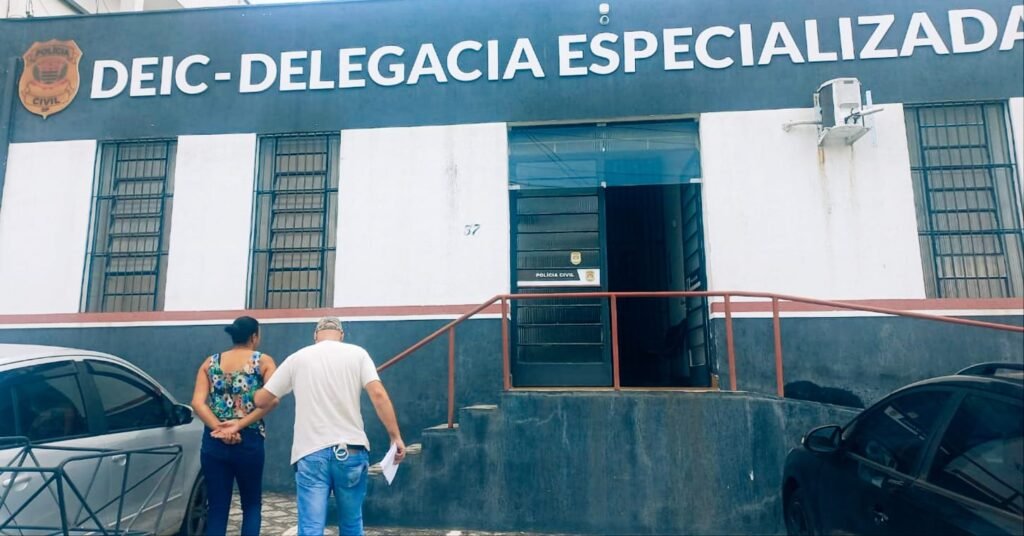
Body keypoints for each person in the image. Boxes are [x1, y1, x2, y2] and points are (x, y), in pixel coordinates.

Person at [246, 316, 405, 536]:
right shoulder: (358, 354)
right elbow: (378, 394)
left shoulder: (297, 358)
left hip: (311, 453)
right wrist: (395, 437)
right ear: (341, 335)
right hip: (352, 451)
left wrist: (251, 391)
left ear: (315, 335)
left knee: (311, 528)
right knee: (352, 524)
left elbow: (263, 399)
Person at [191, 316, 277, 536]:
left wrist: (219, 429)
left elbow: (197, 403)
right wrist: (238, 425)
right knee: (251, 504)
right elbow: (272, 400)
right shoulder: (263, 362)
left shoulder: (210, 363)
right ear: (254, 336)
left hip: (214, 441)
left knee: (217, 508)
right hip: (249, 440)